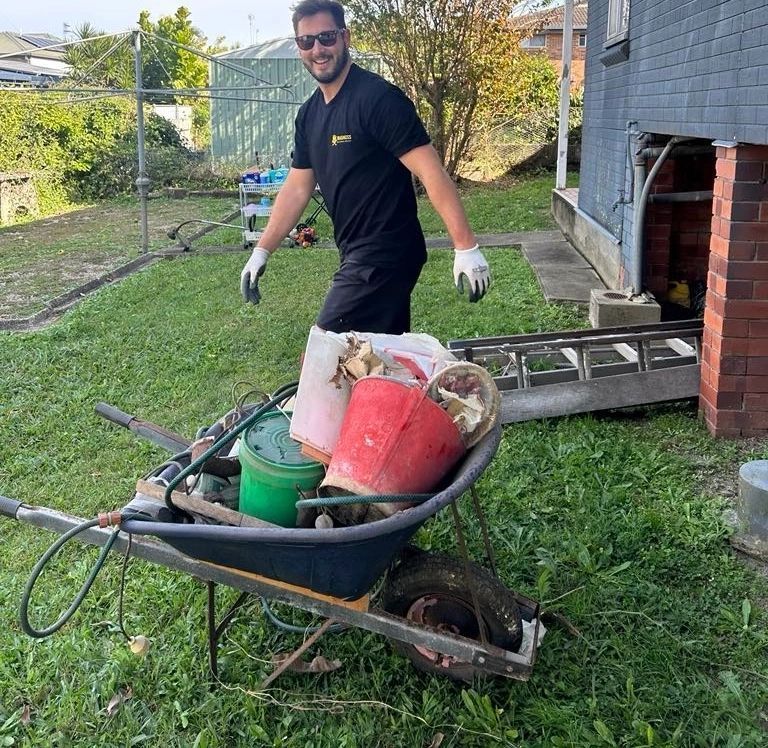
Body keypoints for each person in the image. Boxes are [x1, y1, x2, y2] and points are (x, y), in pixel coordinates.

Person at [240, 0, 490, 334]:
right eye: (306, 41)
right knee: (379, 355)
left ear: (345, 37)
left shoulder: (377, 99)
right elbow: (297, 188)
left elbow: (430, 170)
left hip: (387, 251)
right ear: (299, 48)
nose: (318, 49)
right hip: (355, 251)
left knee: (328, 346)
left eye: (327, 37)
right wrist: (261, 251)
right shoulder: (309, 115)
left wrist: (466, 246)